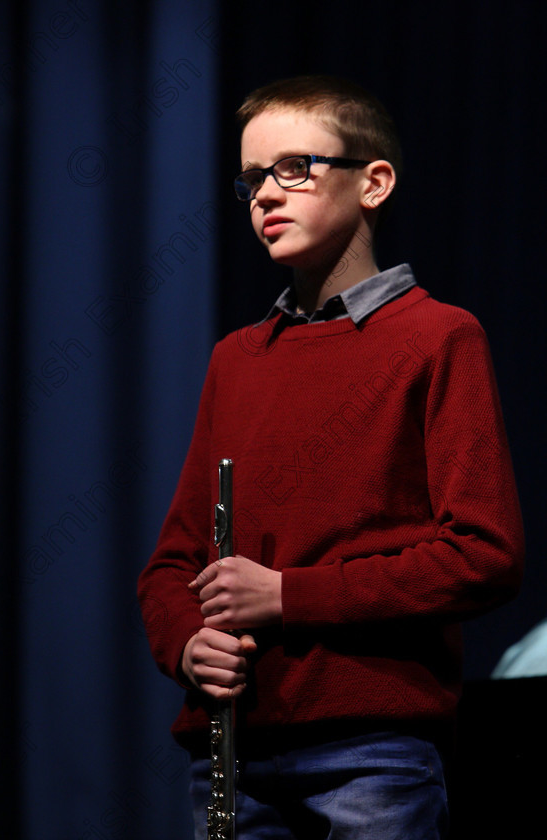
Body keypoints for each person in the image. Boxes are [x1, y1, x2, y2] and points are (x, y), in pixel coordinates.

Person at [138, 75, 525, 839]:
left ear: (373, 182)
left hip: (371, 749)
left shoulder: (438, 338)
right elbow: (171, 565)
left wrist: (288, 597)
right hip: (234, 749)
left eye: (294, 169)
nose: (264, 197)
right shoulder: (237, 358)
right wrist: (188, 644)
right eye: (250, 179)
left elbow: (483, 553)